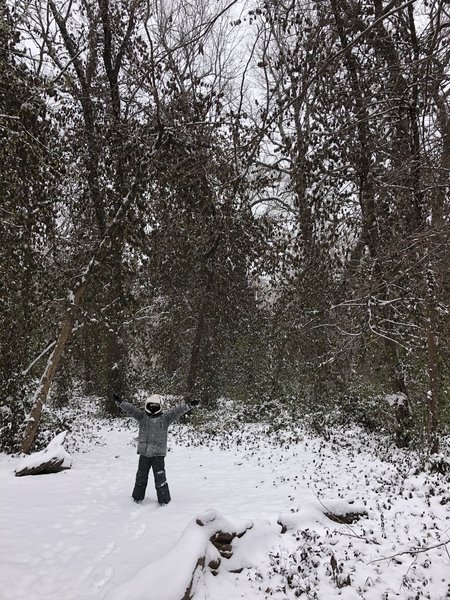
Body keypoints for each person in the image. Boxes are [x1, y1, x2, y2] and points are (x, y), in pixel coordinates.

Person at [113, 393, 199, 505]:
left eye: (155, 406)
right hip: (144, 453)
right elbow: (131, 409)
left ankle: (164, 500)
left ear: (159, 406)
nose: (153, 408)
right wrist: (120, 403)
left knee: (160, 478)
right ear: (147, 406)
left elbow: (177, 411)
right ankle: (137, 498)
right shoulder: (142, 417)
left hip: (158, 454)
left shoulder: (165, 418)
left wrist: (189, 405)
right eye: (150, 406)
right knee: (141, 477)